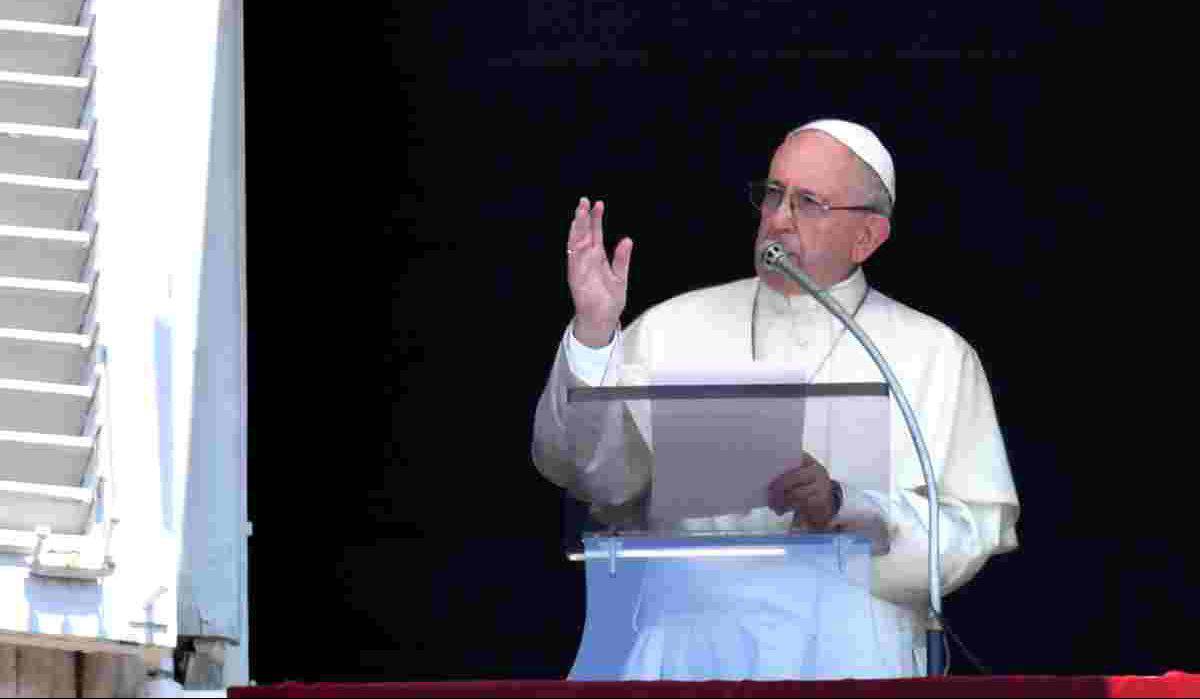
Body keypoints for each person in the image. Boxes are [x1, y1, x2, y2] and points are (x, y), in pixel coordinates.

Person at [531, 119, 1020, 679]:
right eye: (773, 194)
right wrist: (594, 335)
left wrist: (845, 506)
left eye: (809, 202)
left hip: (849, 653)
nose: (779, 218)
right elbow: (592, 476)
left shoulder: (934, 353)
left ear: (868, 236)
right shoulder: (672, 326)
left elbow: (970, 531)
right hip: (688, 652)